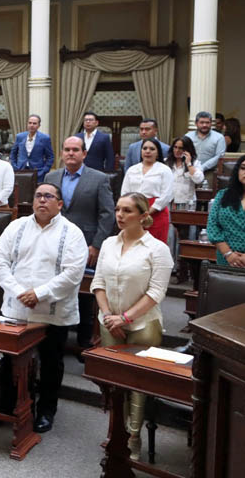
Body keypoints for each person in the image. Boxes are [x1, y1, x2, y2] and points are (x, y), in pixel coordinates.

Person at [0, 183, 88, 433]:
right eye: (38, 196)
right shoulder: (17, 226)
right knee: (10, 360)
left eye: (48, 196)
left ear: (60, 204)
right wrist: (17, 291)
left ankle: (46, 411)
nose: (42, 200)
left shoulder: (72, 232)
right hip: (17, 306)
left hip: (53, 311)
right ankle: (5, 407)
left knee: (51, 362)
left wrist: (40, 294)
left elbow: (73, 273)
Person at [91, 192, 173, 459]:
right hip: (109, 320)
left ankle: (134, 437)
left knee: (136, 384)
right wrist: (107, 316)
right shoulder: (108, 243)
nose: (120, 215)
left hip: (142, 323)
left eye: (127, 211)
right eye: (117, 209)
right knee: (115, 383)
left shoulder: (157, 249)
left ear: (142, 216)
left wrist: (125, 318)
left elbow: (156, 292)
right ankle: (117, 433)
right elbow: (98, 283)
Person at [44, 136, 115, 350]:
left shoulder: (99, 179)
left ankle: (84, 340)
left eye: (75, 149)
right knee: (55, 287)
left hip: (87, 245)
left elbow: (107, 214)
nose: (70, 153)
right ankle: (55, 335)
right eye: (67, 149)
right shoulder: (51, 176)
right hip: (53, 244)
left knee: (84, 294)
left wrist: (96, 245)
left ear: (84, 154)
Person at [121, 137, 173, 242]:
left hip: (156, 213)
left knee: (155, 247)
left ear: (158, 152)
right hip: (133, 212)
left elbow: (167, 195)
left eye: (152, 149)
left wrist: (148, 212)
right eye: (145, 148)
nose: (148, 151)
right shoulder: (132, 170)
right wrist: (132, 211)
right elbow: (125, 193)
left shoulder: (164, 170)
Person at [206, 154, 245, 267]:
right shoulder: (222, 195)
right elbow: (213, 227)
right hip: (226, 259)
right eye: (243, 168)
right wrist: (228, 254)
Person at [9, 114, 54, 182]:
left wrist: (45, 170)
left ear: (39, 125)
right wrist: (15, 167)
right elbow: (13, 154)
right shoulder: (20, 136)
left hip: (38, 172)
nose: (31, 125)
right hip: (20, 170)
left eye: (34, 123)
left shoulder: (45, 138)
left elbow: (50, 157)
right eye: (30, 123)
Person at [167, 136, 205, 210]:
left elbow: (199, 179)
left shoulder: (195, 163)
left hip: (187, 203)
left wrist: (189, 164)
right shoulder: (166, 162)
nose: (177, 150)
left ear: (187, 149)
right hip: (169, 201)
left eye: (181, 148)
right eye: (175, 147)